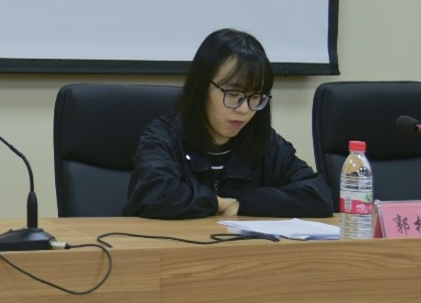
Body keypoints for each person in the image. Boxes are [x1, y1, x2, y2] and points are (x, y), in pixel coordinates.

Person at [123, 28, 332, 219]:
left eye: (255, 97)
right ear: (202, 87)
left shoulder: (265, 143)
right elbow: (154, 193)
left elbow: (319, 195)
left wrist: (244, 204)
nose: (244, 109)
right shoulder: (164, 136)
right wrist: (217, 203)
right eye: (233, 94)